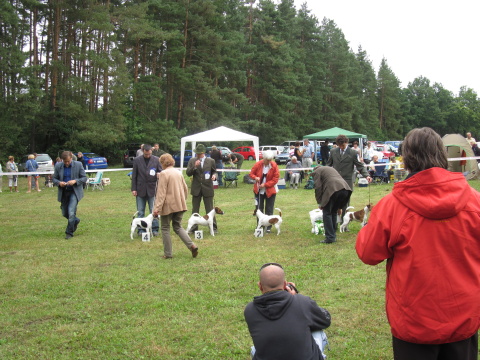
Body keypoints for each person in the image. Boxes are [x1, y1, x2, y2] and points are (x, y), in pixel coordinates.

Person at [356, 127, 480, 360]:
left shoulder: (391, 206)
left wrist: (367, 225)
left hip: (414, 320)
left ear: (407, 159)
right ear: (442, 155)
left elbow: (367, 252)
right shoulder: (475, 201)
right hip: (461, 315)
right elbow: (369, 254)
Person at [244, 263, 331, 360]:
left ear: (260, 286)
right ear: (285, 284)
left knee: (255, 348)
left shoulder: (250, 310)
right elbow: (325, 320)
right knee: (317, 330)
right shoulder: (302, 302)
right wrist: (295, 297)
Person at [153, 154, 198, 259]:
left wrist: (156, 209)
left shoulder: (164, 174)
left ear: (163, 163)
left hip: (168, 206)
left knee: (165, 228)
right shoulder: (178, 173)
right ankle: (192, 245)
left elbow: (161, 193)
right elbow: (185, 189)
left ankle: (168, 254)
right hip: (180, 204)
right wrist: (183, 200)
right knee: (177, 226)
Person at [327, 134, 371, 215]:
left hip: (347, 181)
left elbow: (360, 166)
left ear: (346, 142)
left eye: (342, 145)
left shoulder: (353, 153)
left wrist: (367, 175)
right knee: (335, 202)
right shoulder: (333, 152)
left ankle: (344, 224)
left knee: (345, 203)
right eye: (339, 145)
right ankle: (335, 224)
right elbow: (328, 165)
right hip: (335, 181)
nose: (341, 147)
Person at [53, 151, 88, 239]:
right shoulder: (58, 166)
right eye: (65, 162)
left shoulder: (78, 164)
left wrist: (75, 181)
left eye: (68, 161)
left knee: (71, 212)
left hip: (74, 191)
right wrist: (59, 183)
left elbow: (84, 178)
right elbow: (54, 179)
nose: (67, 163)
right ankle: (75, 221)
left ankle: (69, 232)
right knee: (65, 213)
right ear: (62, 160)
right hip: (64, 191)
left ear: (71, 158)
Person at [312, 165, 352, 244]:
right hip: (345, 189)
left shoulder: (317, 172)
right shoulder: (330, 168)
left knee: (327, 213)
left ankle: (330, 237)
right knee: (333, 211)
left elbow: (318, 187)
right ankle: (333, 233)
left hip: (333, 190)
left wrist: (320, 202)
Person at [186, 144, 218, 233]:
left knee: (210, 209)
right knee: (195, 209)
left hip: (207, 187)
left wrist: (214, 176)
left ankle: (214, 228)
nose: (197, 155)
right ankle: (193, 228)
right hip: (196, 188)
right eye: (196, 153)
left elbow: (215, 171)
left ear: (203, 153)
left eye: (198, 154)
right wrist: (195, 167)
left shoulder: (211, 161)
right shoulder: (192, 160)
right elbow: (188, 173)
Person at [131, 144, 162, 237]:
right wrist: (134, 189)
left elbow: (160, 171)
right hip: (140, 189)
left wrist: (159, 174)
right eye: (146, 154)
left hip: (152, 188)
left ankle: (155, 229)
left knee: (154, 211)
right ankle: (141, 229)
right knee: (140, 211)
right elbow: (134, 175)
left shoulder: (156, 159)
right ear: (142, 151)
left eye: (149, 154)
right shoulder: (137, 160)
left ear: (151, 151)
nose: (148, 155)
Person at [249, 151, 279, 233]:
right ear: (263, 158)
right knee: (259, 209)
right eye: (267, 160)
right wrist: (255, 177)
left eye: (270, 160)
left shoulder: (274, 165)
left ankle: (269, 226)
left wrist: (265, 185)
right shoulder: (258, 164)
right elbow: (251, 173)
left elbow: (275, 179)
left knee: (269, 209)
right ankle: (260, 226)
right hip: (258, 191)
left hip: (270, 190)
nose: (269, 161)